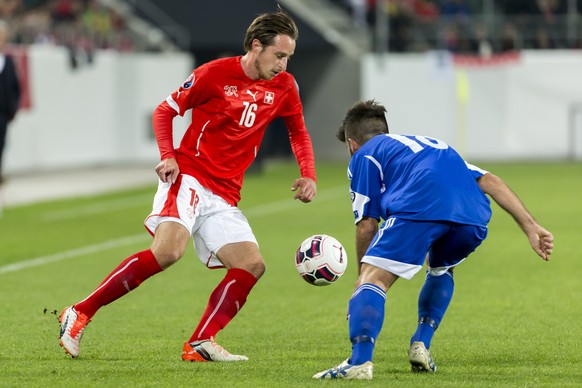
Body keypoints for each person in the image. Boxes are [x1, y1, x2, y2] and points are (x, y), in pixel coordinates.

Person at [58, 8, 317, 362]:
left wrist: (308, 173)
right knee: (168, 253)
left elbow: (298, 131)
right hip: (191, 176)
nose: (283, 65)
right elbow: (164, 111)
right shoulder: (213, 74)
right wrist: (168, 155)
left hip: (225, 194)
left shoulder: (284, 86)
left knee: (251, 265)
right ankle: (80, 312)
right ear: (256, 46)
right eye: (279, 55)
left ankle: (201, 342)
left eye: (288, 57)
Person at [313, 100, 553, 379]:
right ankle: (421, 343)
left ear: (352, 144)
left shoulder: (364, 155)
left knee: (373, 280)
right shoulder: (428, 144)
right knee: (441, 267)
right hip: (471, 216)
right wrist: (531, 227)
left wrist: (360, 279)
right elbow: (490, 180)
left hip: (419, 206)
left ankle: (358, 363)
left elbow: (367, 224)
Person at [0, 20, 21, 185]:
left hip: (2, 114)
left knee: (1, 144)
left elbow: (15, 88)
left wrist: (12, 109)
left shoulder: (8, 62)